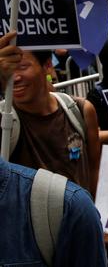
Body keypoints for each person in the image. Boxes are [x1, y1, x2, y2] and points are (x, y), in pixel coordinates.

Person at [0, 32, 101, 196]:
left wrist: (92, 217)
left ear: (47, 65)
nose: (14, 78)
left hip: (79, 220)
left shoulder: (80, 110)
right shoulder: (4, 121)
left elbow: (94, 170)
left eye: (22, 67)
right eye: (6, 70)